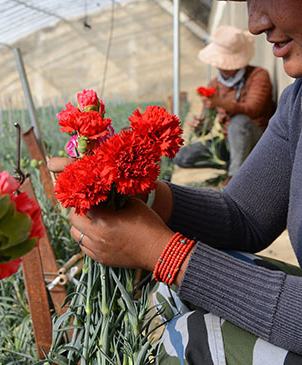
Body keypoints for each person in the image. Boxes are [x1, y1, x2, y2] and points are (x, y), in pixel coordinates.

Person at [48, 0, 302, 362]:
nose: (254, 23)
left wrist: (164, 254)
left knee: (187, 338)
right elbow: (244, 215)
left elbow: (247, 112)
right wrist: (135, 189)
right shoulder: (298, 100)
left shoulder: (261, 78)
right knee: (173, 295)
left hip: (245, 130)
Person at [175, 25, 276, 186]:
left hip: (257, 140)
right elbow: (205, 129)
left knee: (238, 122)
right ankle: (236, 164)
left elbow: (253, 109)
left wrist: (221, 103)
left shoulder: (258, 76)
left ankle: (235, 179)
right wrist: (200, 125)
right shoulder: (214, 85)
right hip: (229, 143)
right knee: (182, 156)